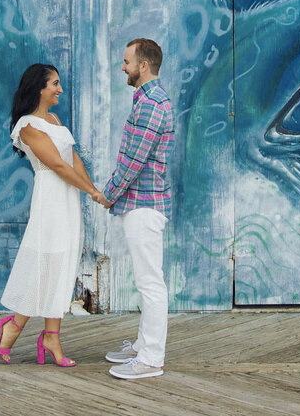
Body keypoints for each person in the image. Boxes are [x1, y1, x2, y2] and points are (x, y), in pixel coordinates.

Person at [0, 63, 110, 366]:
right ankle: (14, 326)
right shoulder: (27, 127)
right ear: (40, 88)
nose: (60, 89)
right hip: (51, 200)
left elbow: (73, 159)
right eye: (55, 84)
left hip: (68, 198)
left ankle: (52, 336)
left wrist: (93, 190)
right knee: (45, 263)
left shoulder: (54, 119)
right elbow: (56, 165)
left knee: (63, 263)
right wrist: (92, 193)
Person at [101, 38, 174, 380]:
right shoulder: (147, 100)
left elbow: (134, 160)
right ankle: (143, 345)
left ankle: (151, 360)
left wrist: (109, 194)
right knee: (147, 280)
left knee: (150, 283)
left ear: (143, 66)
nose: (123, 67)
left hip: (144, 203)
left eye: (127, 61)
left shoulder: (151, 105)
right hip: (141, 202)